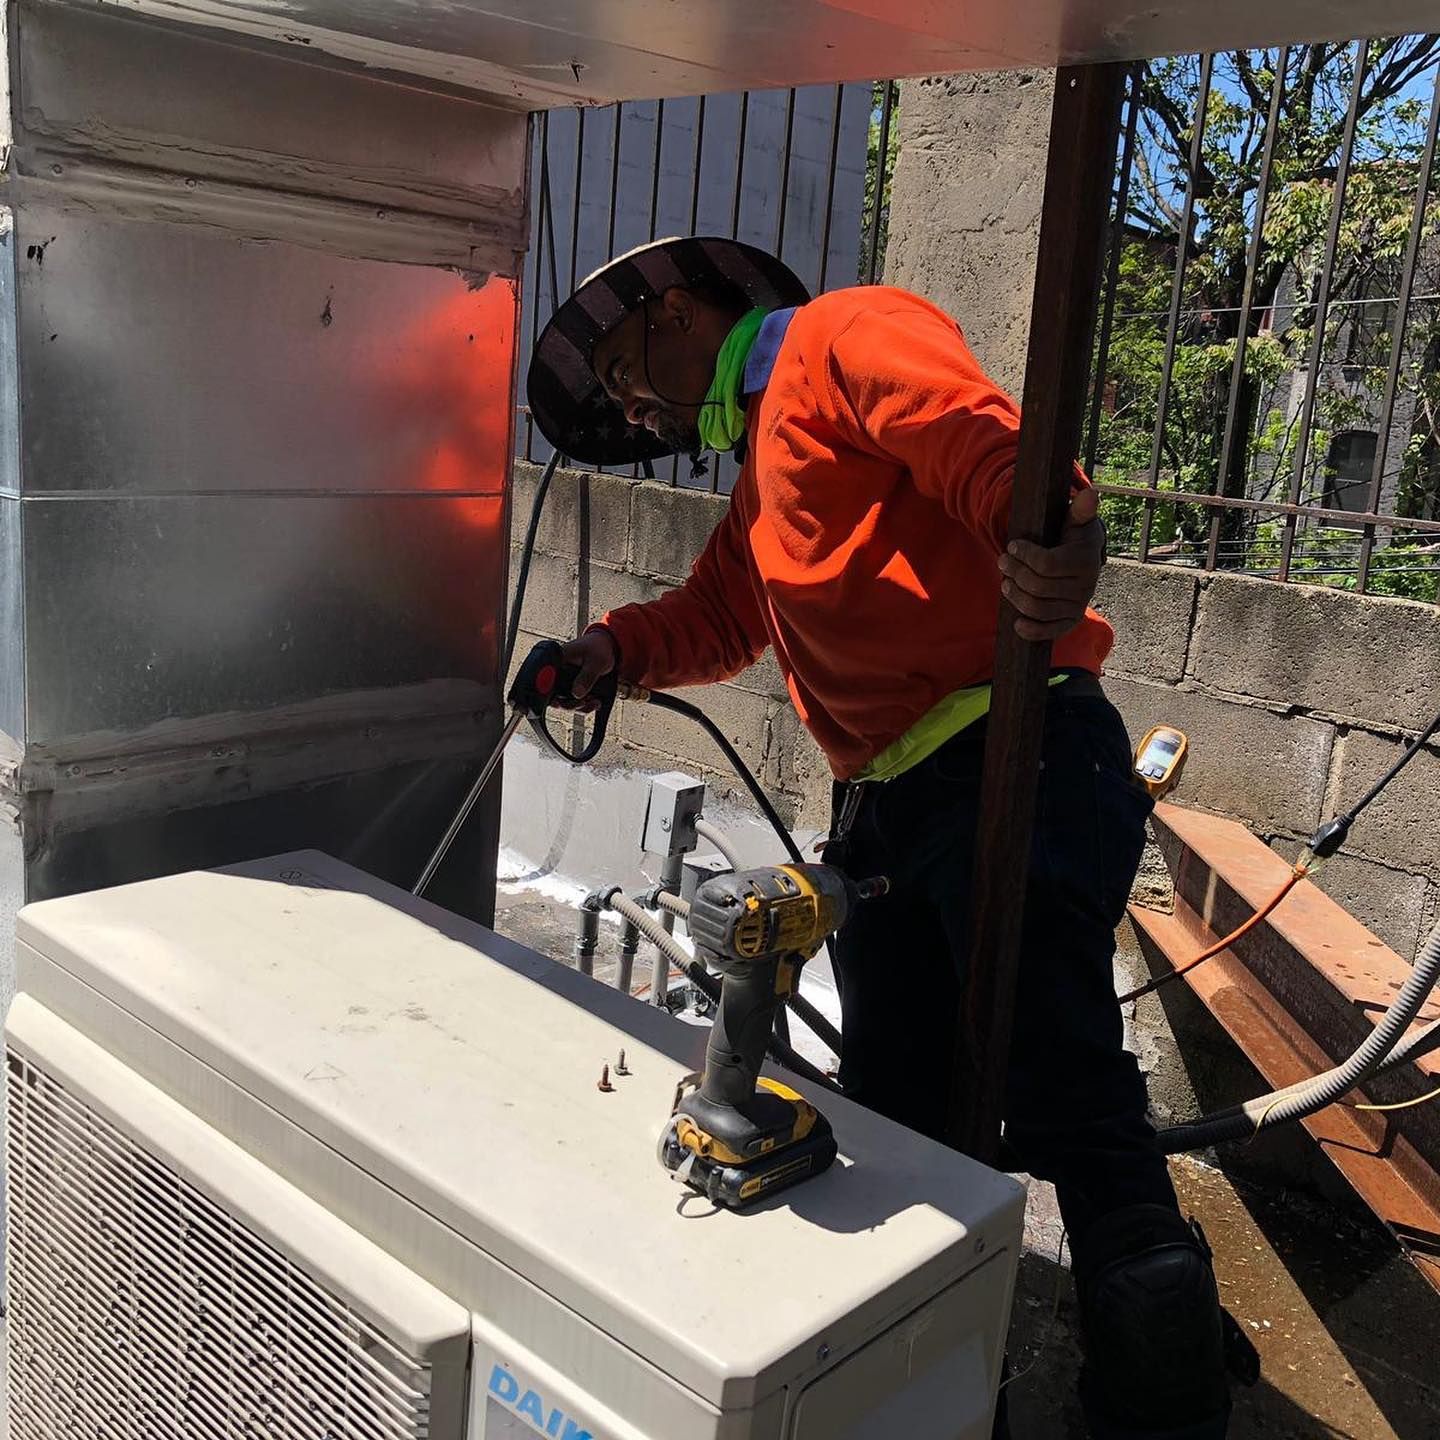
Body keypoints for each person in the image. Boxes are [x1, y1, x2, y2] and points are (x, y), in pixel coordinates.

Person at [526, 236, 1240, 1439]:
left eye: (620, 362)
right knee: (901, 1109)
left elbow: (980, 444)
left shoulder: (841, 337)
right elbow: (716, 616)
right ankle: (938, 1389)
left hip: (1015, 755)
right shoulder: (763, 472)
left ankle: (1164, 1402)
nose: (627, 400)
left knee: (1060, 1089)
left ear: (685, 306)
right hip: (897, 806)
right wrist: (609, 654)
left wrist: (1051, 531)